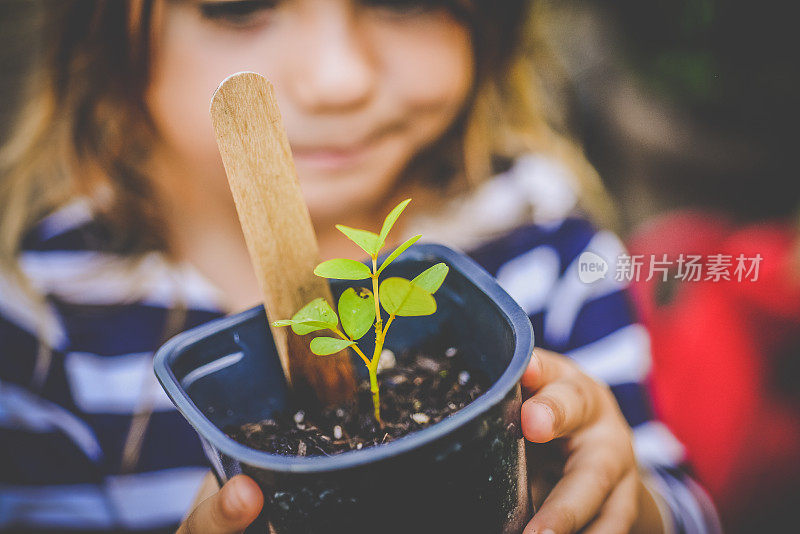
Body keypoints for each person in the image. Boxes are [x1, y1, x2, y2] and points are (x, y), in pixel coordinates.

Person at [0, 1, 719, 533]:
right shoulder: (42, 314)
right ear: (102, 33)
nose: (339, 79)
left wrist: (626, 502)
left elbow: (688, 509)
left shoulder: (541, 234)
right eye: (241, 6)